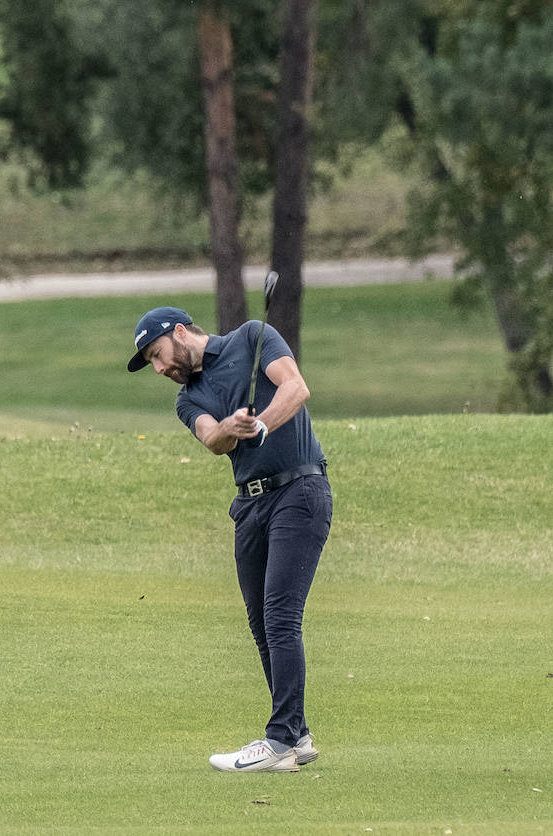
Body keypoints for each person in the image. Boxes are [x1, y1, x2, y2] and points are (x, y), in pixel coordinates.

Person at [126, 306, 332, 773]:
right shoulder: (188, 398)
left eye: (157, 355)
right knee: (262, 624)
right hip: (251, 506)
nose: (159, 368)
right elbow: (211, 439)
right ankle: (297, 737)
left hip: (299, 491)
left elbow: (295, 388)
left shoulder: (253, 338)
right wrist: (229, 428)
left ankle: (278, 741)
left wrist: (260, 425)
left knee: (281, 615)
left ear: (180, 333)